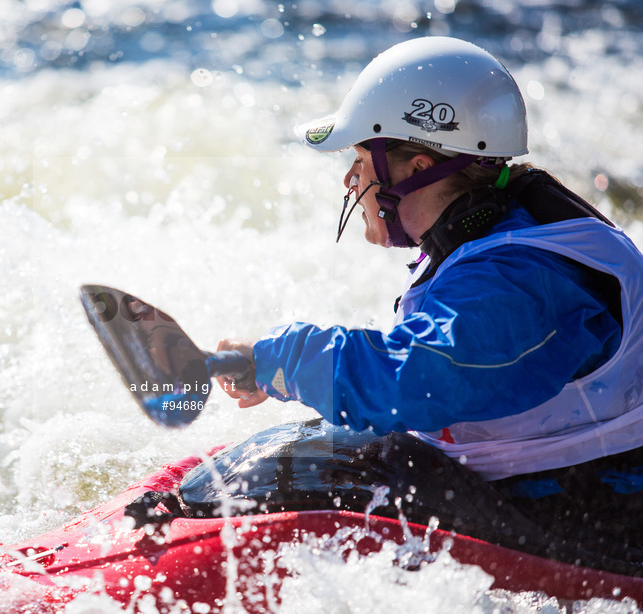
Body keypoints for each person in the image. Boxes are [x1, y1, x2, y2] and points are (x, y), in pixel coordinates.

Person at [216, 37, 643, 541]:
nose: (351, 179)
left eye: (360, 158)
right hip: (556, 491)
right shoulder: (500, 233)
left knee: (367, 462)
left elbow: (418, 377)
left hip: (591, 517)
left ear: (418, 168)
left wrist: (281, 358)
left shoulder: (523, 277)